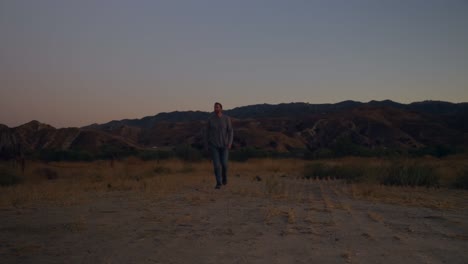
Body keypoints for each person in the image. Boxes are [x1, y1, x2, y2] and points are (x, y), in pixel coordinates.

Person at [205, 102, 234, 189]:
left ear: (221, 108)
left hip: (225, 145)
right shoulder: (210, 119)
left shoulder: (226, 118)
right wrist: (207, 143)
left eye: (217, 107)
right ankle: (218, 183)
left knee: (224, 164)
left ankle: (224, 177)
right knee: (216, 165)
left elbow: (230, 131)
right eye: (215, 107)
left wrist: (230, 142)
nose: (216, 109)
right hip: (214, 146)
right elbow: (206, 132)